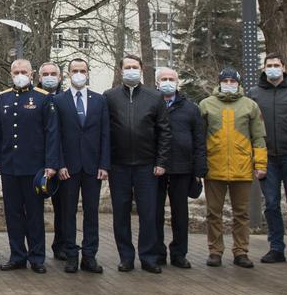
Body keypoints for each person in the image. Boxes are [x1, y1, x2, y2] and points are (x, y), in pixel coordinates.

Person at [0, 58, 60, 274]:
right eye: (16, 72)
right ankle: (17, 255)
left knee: (35, 214)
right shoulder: (3, 98)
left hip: (34, 167)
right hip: (10, 166)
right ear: (11, 74)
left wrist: (51, 163)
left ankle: (37, 257)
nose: (20, 75)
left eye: (24, 72)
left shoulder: (43, 98)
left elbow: (51, 132)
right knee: (13, 214)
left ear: (32, 74)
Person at [103, 54, 170, 273]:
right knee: (120, 214)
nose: (131, 70)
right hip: (119, 165)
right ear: (121, 71)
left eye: (135, 67)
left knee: (148, 213)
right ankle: (126, 257)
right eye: (127, 67)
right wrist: (105, 162)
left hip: (146, 166)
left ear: (141, 70)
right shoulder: (110, 97)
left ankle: (148, 257)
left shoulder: (155, 97)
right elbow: (105, 132)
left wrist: (161, 161)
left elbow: (164, 132)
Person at [199, 68, 267, 268]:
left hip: (242, 168)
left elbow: (259, 137)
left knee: (242, 214)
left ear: (238, 83)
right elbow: (199, 139)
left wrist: (260, 164)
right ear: (219, 83)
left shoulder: (250, 106)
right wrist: (199, 165)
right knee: (213, 213)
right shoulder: (206, 105)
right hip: (214, 168)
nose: (229, 84)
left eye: (232, 81)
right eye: (225, 80)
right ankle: (215, 251)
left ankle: (241, 251)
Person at [248, 52, 287, 265]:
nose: (272, 68)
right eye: (269, 65)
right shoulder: (254, 94)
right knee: (271, 204)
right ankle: (276, 248)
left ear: (284, 68)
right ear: (264, 69)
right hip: (267, 158)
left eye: (276, 65)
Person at [53, 57, 109, 274]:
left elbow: (105, 134)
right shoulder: (59, 101)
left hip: (93, 167)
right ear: (68, 74)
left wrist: (104, 164)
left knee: (91, 213)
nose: (79, 74)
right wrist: (60, 164)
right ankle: (71, 255)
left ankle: (89, 255)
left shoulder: (99, 100)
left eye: (82, 70)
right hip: (68, 167)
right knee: (68, 213)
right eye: (75, 70)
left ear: (88, 73)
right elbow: (55, 136)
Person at [154, 67, 206, 269]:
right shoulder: (151, 104)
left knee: (180, 213)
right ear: (157, 83)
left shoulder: (191, 108)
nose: (167, 82)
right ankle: (157, 252)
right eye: (164, 79)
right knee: (155, 213)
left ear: (177, 83)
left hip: (182, 167)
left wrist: (199, 170)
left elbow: (199, 140)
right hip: (156, 168)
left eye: (171, 79)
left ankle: (179, 253)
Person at [39, 61, 66, 261]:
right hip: (37, 161)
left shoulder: (66, 99)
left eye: (53, 74)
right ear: (39, 77)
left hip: (62, 162)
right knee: (33, 209)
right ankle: (35, 249)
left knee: (63, 208)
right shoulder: (33, 98)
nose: (49, 77)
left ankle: (61, 245)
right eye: (45, 74)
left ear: (60, 77)